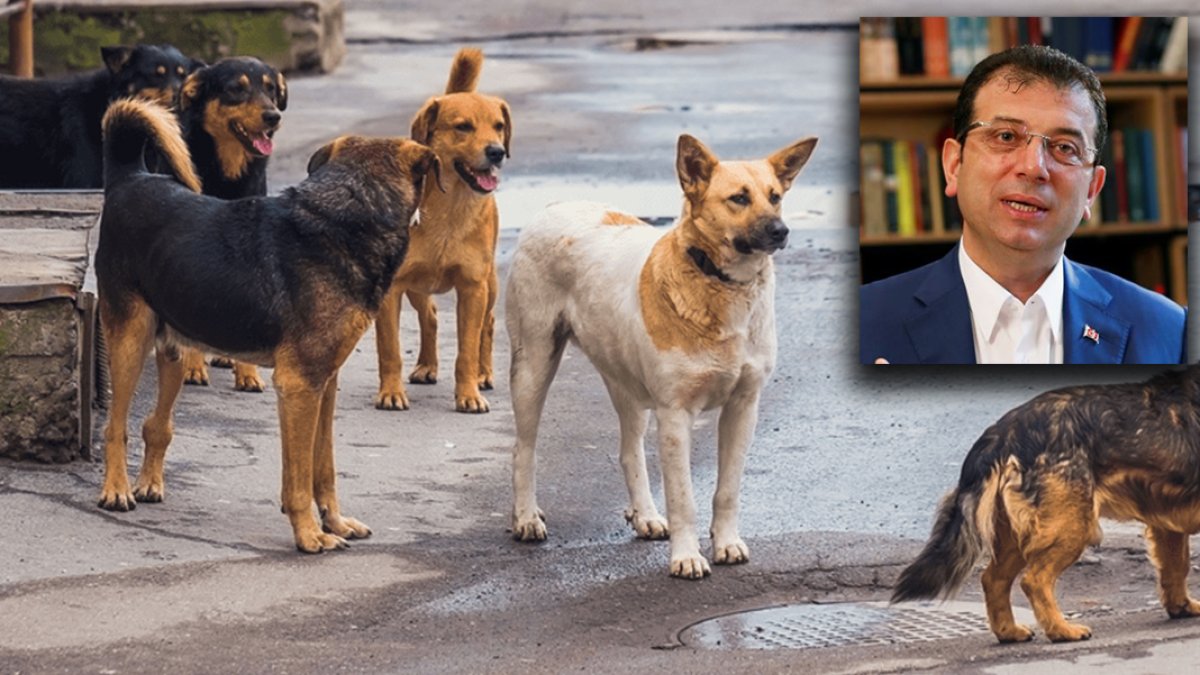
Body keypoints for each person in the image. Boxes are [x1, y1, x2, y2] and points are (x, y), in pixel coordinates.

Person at [860, 45, 1185, 365]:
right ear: (954, 165)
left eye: (1064, 147)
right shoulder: (860, 323)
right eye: (1005, 137)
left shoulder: (1171, 333)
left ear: (1092, 190)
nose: (1033, 168)